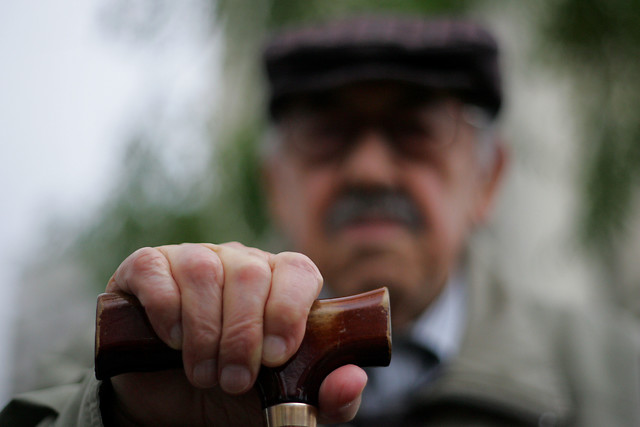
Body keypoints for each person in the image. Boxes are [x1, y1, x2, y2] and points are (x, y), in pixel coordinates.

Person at [2, 15, 639, 427]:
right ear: (275, 185)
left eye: (415, 132)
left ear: (488, 179)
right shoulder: (126, 366)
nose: (367, 171)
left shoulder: (618, 376)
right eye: (327, 134)